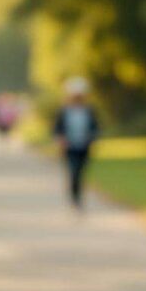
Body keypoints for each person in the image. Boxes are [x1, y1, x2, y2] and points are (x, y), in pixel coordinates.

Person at [53, 77, 99, 210]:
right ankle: (75, 199)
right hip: (70, 147)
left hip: (84, 146)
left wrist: (92, 137)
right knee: (73, 172)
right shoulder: (64, 111)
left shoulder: (89, 110)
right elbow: (58, 129)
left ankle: (78, 197)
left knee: (80, 173)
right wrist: (61, 140)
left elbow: (95, 127)